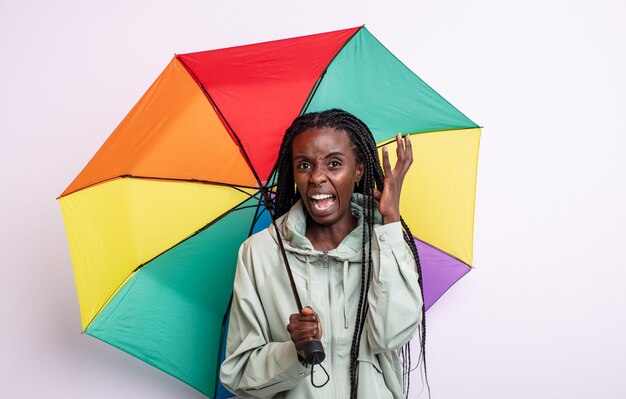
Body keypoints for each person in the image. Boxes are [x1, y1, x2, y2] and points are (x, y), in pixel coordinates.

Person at [220, 109, 425, 399]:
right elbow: (239, 373)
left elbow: (391, 334)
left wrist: (390, 222)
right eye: (304, 165)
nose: (317, 177)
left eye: (334, 163)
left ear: (359, 170)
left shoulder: (385, 244)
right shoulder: (260, 253)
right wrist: (297, 353)